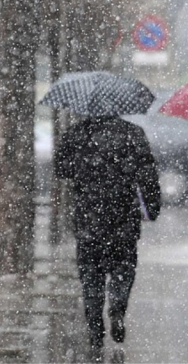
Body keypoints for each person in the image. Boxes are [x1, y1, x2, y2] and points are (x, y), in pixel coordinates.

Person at [54, 115, 161, 361]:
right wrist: (152, 206)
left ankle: (94, 328)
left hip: (89, 220)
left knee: (91, 276)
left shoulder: (77, 134)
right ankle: (117, 307)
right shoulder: (133, 133)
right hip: (123, 218)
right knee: (123, 269)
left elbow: (61, 168)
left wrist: (84, 168)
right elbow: (147, 173)